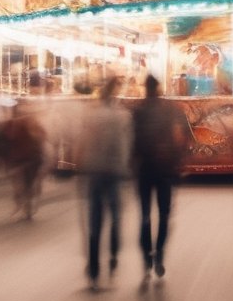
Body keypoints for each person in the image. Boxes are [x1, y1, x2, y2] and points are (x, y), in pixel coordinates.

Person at [131, 74, 189, 281]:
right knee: (164, 215)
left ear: (145, 89)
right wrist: (179, 161)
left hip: (144, 170)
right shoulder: (170, 110)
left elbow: (132, 142)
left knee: (145, 214)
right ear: (159, 88)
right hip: (165, 170)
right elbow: (181, 136)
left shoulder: (137, 112)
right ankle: (160, 256)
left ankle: (147, 257)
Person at [79, 80, 132, 289]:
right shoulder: (123, 117)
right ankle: (113, 261)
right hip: (114, 171)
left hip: (94, 171)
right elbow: (126, 146)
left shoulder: (90, 116)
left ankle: (93, 270)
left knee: (94, 222)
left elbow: (82, 142)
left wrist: (81, 164)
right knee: (116, 219)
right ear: (116, 96)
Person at [6, 100, 46, 219]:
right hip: (26, 158)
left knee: (24, 183)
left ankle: (24, 205)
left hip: (25, 159)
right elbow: (41, 138)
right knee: (25, 183)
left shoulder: (14, 124)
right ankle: (25, 205)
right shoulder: (29, 124)